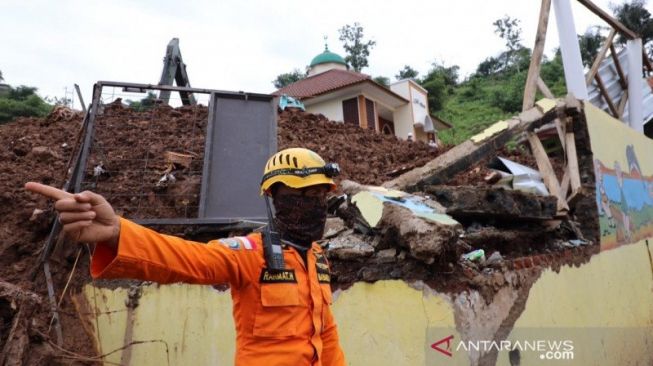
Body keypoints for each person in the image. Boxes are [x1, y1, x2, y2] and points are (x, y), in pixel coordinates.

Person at [25, 147, 346, 366]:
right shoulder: (250, 253)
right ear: (275, 199)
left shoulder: (317, 257)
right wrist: (117, 232)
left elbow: (326, 334)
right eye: (302, 195)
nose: (314, 204)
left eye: (319, 195)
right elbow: (185, 259)